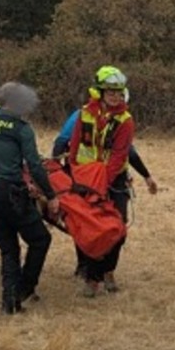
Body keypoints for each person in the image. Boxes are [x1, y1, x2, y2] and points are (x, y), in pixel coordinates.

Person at [0, 82, 60, 314]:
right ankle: (25, 288)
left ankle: (9, 303)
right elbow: (34, 164)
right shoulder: (21, 128)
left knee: (8, 248)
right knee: (40, 239)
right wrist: (50, 195)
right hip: (10, 194)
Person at [68, 65, 136, 297]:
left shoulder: (125, 121)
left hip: (113, 180)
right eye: (110, 92)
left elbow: (118, 156)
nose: (115, 97)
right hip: (85, 178)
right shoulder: (85, 113)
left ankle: (108, 270)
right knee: (89, 227)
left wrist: (103, 183)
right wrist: (73, 170)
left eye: (119, 92)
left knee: (118, 227)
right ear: (100, 92)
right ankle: (92, 278)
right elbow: (75, 143)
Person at [52, 105, 158, 196]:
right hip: (103, 177)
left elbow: (61, 142)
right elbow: (129, 153)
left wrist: (58, 171)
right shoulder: (115, 121)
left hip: (81, 174)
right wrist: (147, 176)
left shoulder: (81, 115)